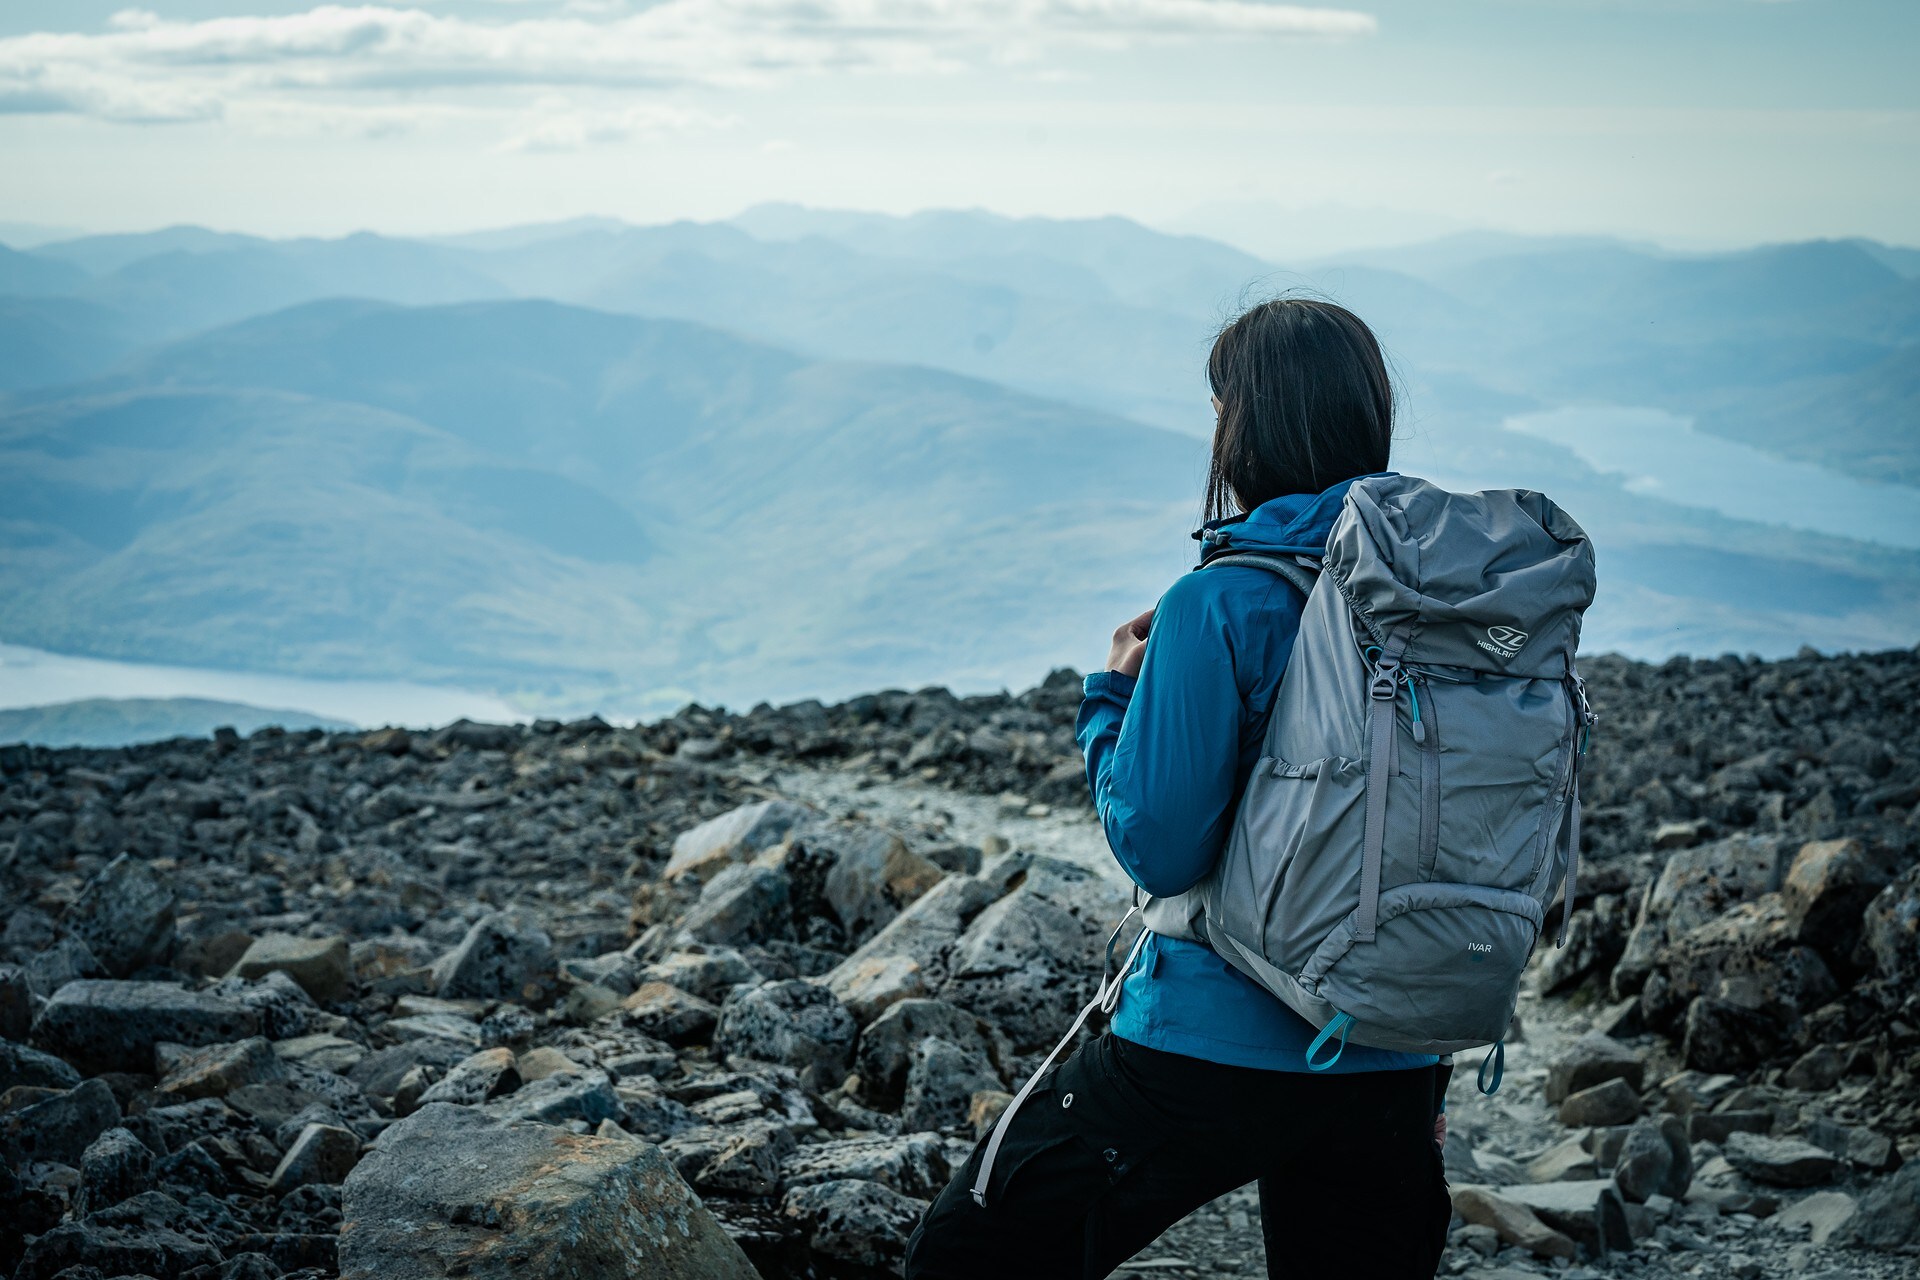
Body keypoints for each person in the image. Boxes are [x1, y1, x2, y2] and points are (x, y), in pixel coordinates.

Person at [904, 298, 1453, 1279]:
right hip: (1397, 1042)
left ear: (1246, 421)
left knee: (966, 1254)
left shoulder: (1221, 600)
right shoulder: (1447, 596)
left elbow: (1158, 843)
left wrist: (1111, 699)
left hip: (1216, 1041)